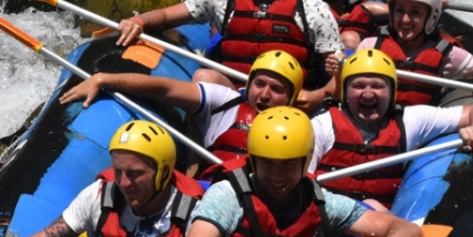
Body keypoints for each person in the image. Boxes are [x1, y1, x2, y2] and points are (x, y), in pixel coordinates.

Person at [152, 107, 424, 237]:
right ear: (253, 161)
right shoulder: (228, 196)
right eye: (267, 164)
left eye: (288, 165)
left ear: (305, 163)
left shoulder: (322, 201)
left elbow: (407, 231)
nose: (276, 176)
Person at [118, 0, 341, 113]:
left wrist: (319, 95)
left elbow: (339, 75)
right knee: (204, 76)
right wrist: (139, 22)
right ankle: (200, 160)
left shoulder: (312, 8)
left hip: (287, 104)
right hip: (233, 97)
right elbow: (168, 15)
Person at [0, 120, 206, 237]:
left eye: (135, 173)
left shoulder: (192, 210)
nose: (124, 183)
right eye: (118, 171)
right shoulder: (100, 194)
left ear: (164, 172)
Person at [311, 49, 473, 209]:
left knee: (374, 208)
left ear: (392, 92)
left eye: (378, 86)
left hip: (379, 228)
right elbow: (301, 187)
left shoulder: (411, 121)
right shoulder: (321, 125)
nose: (368, 94)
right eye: (358, 86)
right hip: (327, 220)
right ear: (344, 91)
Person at [59, 50, 305, 163]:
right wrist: (103, 79)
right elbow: (165, 88)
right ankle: (193, 165)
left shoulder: (302, 131)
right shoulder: (225, 101)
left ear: (291, 98)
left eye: (277, 89)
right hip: (216, 196)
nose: (264, 94)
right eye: (260, 84)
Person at [348, 0, 473, 106]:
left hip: (418, 129)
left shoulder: (447, 54)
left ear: (431, 17)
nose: (405, 20)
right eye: (400, 10)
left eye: (415, 13)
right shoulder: (370, 46)